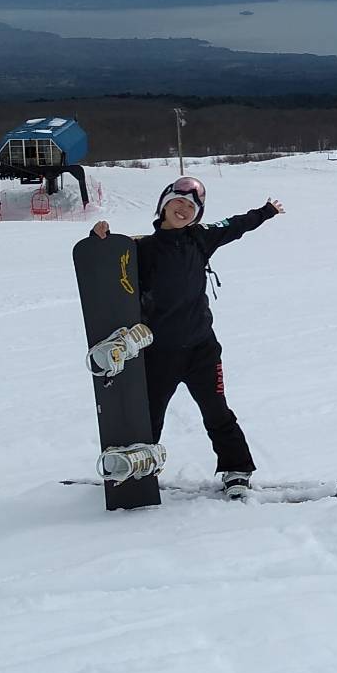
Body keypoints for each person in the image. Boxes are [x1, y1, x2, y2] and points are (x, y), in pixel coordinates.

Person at [91, 176, 284, 498]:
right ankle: (139, 468)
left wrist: (266, 211)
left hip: (201, 350)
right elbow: (105, 265)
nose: (183, 210)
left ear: (197, 215)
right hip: (159, 353)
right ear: (163, 206)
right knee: (148, 417)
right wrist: (99, 239)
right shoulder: (141, 249)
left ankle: (237, 470)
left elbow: (236, 224)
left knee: (217, 412)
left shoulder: (201, 238)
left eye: (191, 207)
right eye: (177, 203)